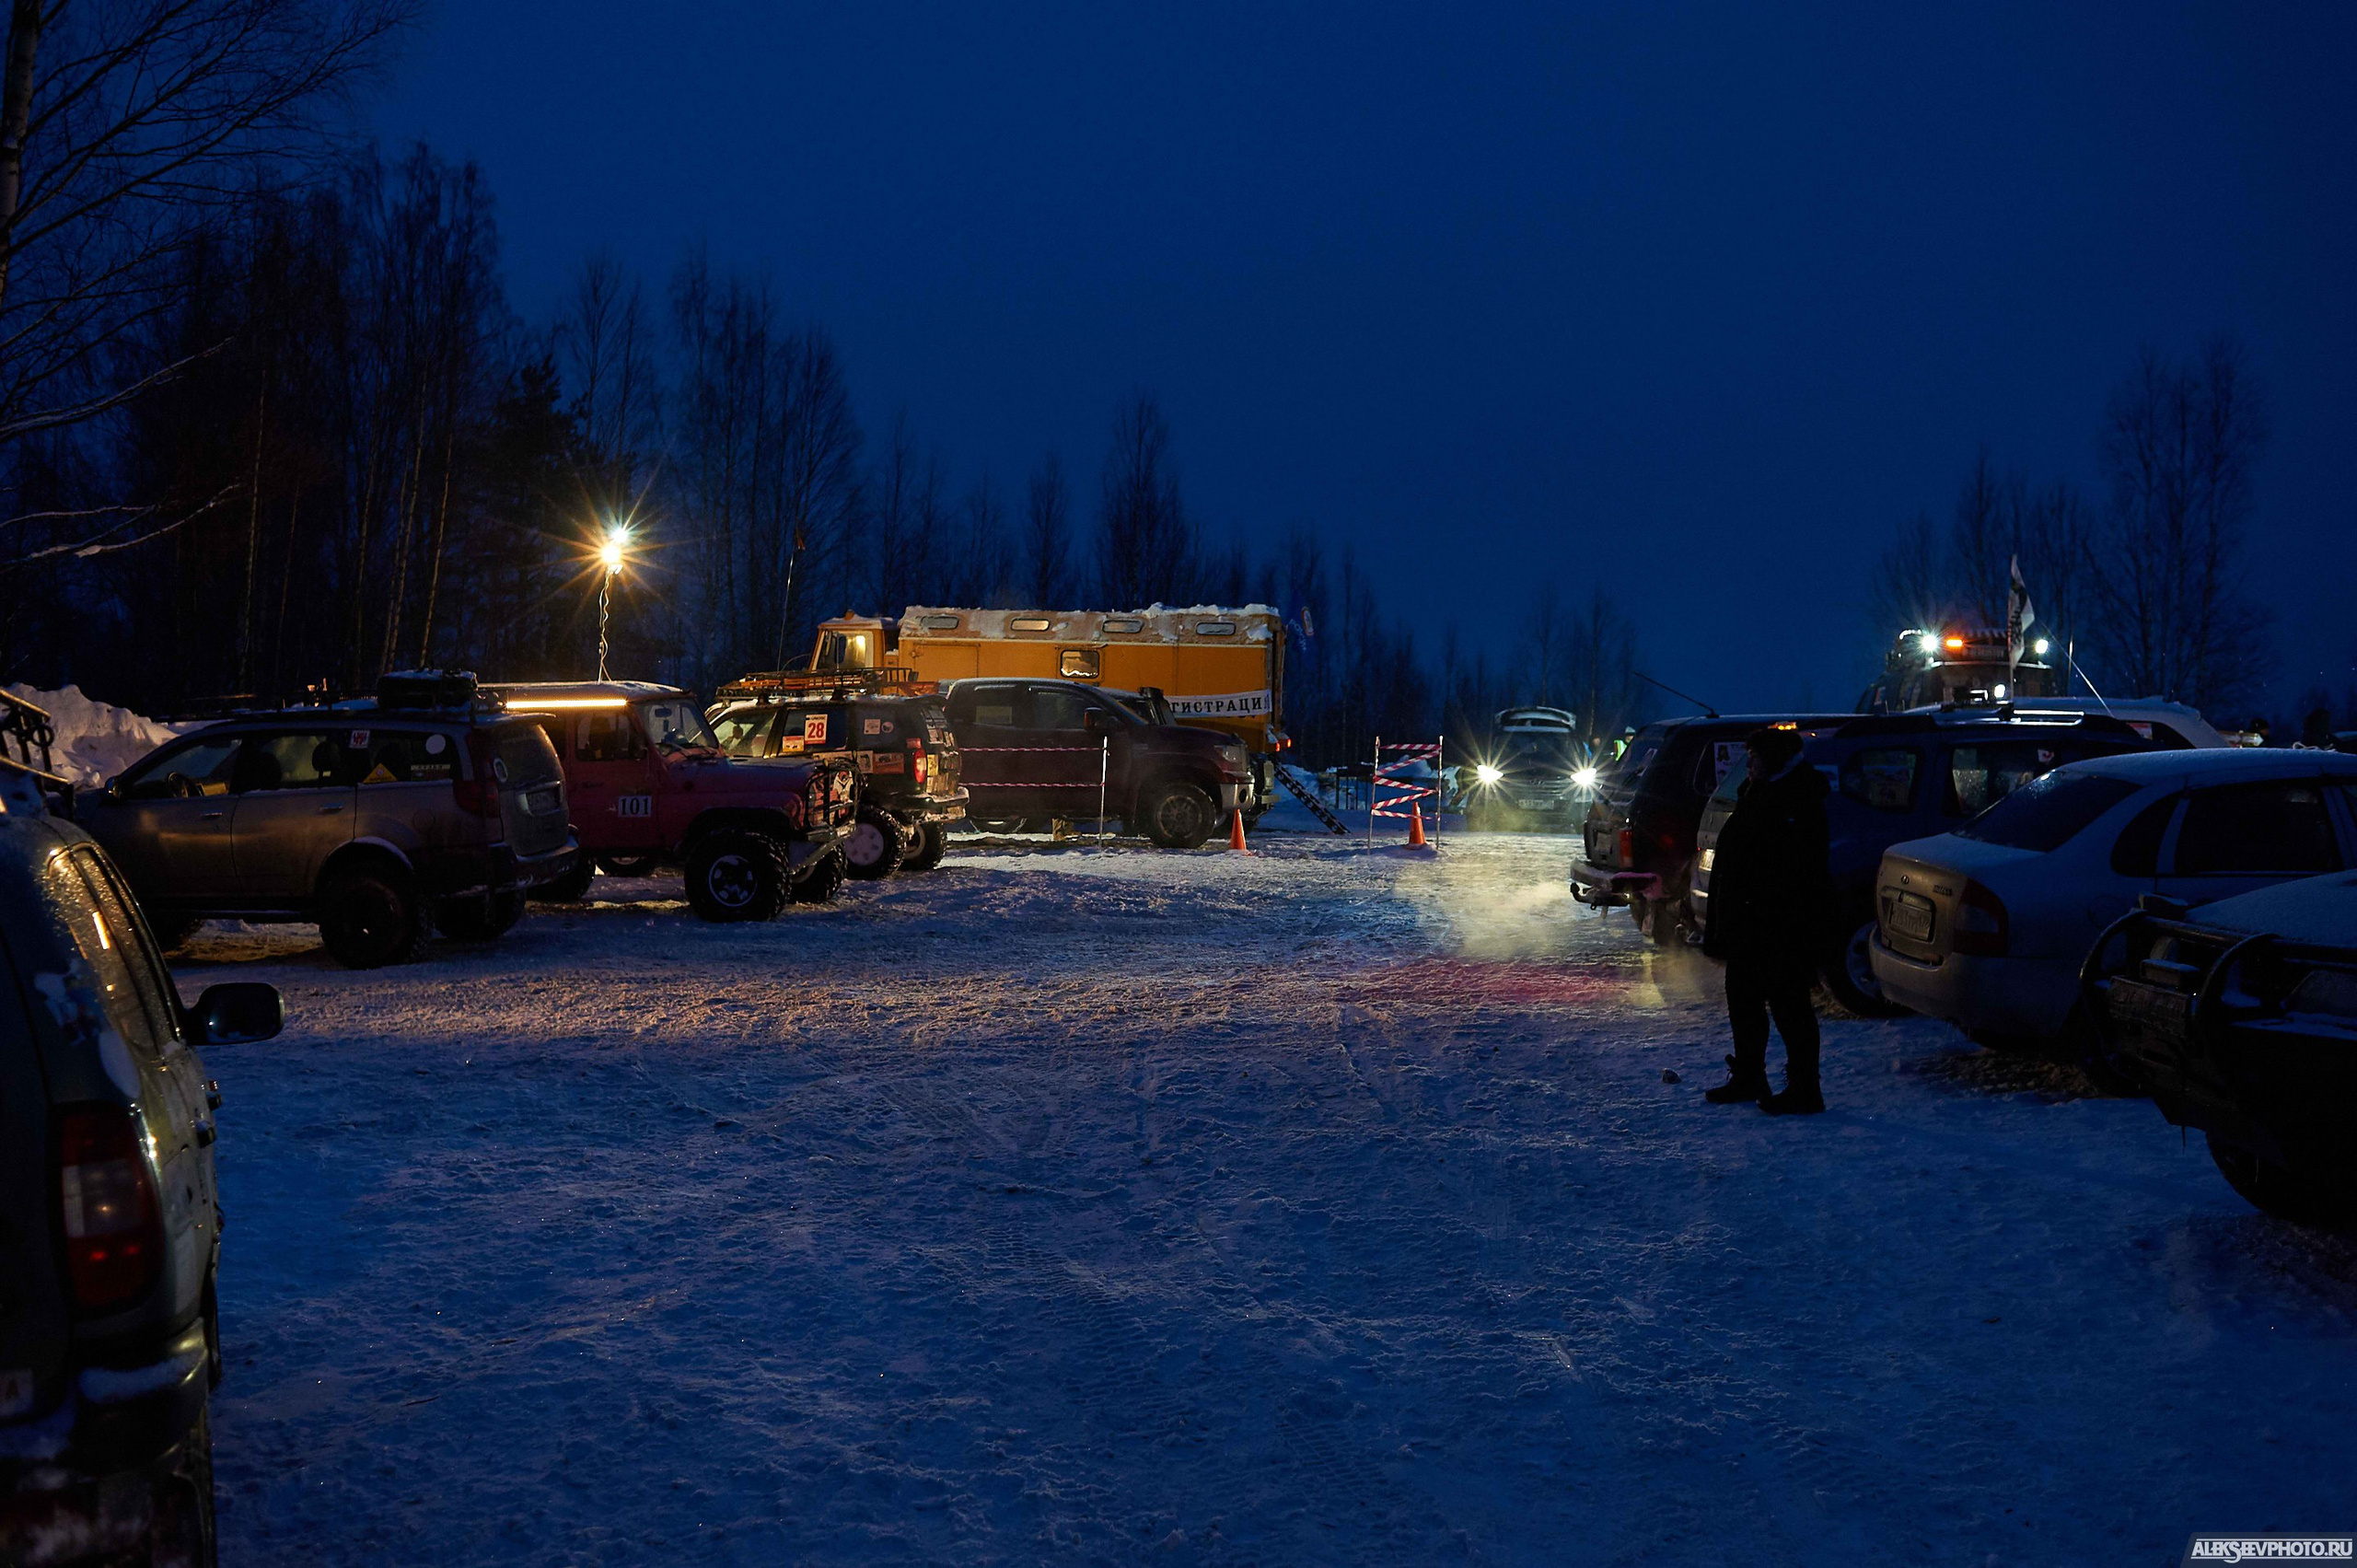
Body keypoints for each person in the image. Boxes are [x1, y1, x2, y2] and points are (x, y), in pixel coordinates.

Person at [1699, 725, 1832, 1114]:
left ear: (1773, 759)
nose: (1749, 764)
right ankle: (1749, 1075)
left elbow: (1797, 867)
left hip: (1781, 923)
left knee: (1790, 1004)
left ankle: (1806, 1088)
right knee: (1743, 998)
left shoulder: (1797, 796)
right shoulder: (1759, 790)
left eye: (1754, 757)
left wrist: (1774, 913)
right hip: (1748, 920)